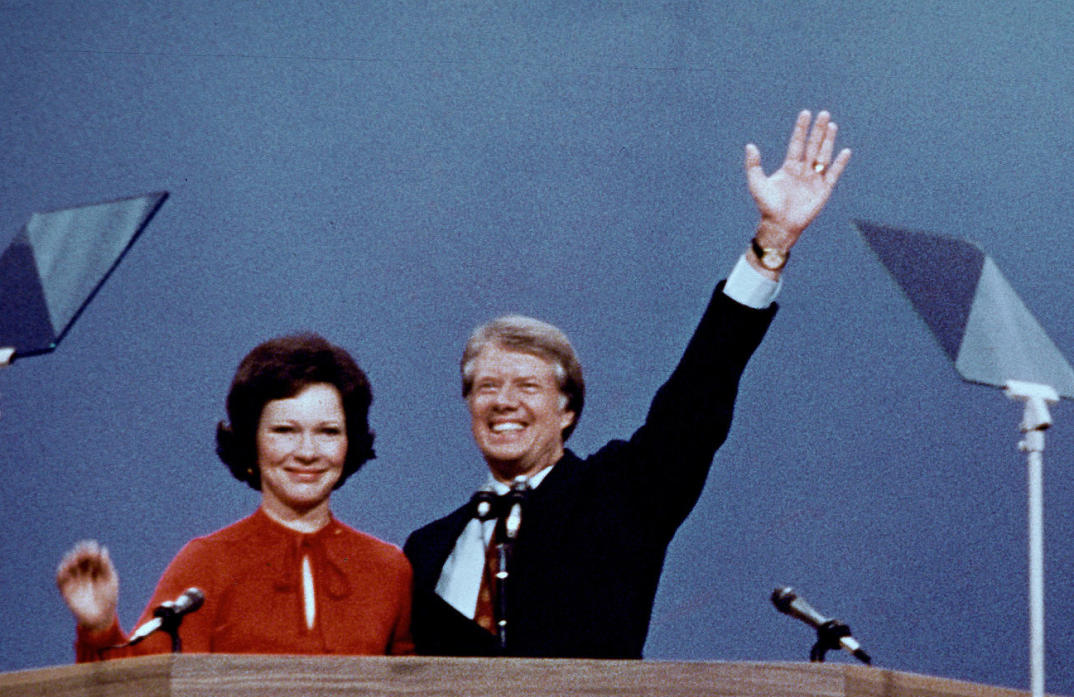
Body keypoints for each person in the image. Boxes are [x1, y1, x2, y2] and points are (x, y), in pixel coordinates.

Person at [404, 109, 851, 659]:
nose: (504, 402)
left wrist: (772, 243)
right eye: (487, 387)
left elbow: (695, 402)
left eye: (527, 386)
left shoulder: (620, 497)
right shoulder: (425, 550)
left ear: (568, 410)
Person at [58, 333, 414, 660]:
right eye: (285, 430)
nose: (307, 451)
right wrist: (99, 627)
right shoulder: (206, 563)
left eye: (328, 432)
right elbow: (143, 693)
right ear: (251, 441)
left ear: (350, 442)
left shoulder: (390, 570)